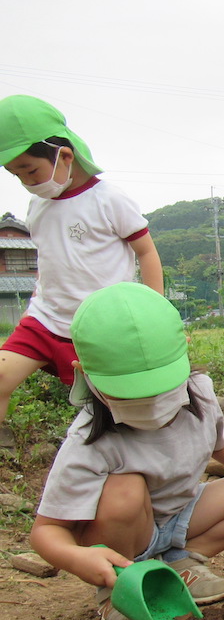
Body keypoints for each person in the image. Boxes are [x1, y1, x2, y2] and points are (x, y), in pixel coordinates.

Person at [29, 283, 224, 620]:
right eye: (130, 394)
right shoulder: (90, 441)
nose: (151, 404)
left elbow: (215, 441)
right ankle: (117, 591)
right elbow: (46, 531)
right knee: (126, 489)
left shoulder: (200, 390)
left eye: (160, 387)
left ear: (184, 351)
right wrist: (78, 557)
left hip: (180, 514)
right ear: (83, 373)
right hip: (125, 535)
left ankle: (179, 564)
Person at [0, 95, 163, 431]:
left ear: (65, 155)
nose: (26, 181)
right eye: (16, 175)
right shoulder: (37, 207)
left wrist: (155, 313)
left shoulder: (108, 199)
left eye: (30, 169)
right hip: (45, 319)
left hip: (104, 327)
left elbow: (146, 252)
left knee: (123, 411)